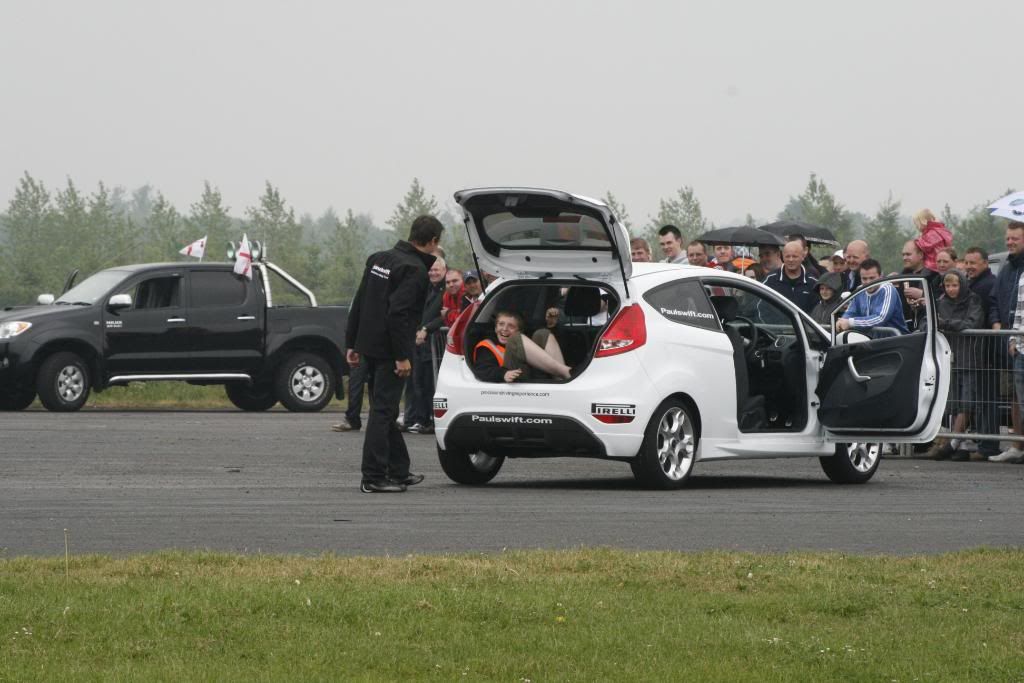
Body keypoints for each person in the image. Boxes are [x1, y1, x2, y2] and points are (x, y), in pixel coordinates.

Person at [345, 214, 443, 493]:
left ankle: (398, 470)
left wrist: (351, 342)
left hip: (370, 347)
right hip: (391, 351)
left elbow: (360, 301)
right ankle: (374, 477)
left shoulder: (379, 258)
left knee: (383, 410)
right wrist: (402, 355)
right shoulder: (414, 269)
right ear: (434, 241)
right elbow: (398, 314)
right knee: (383, 411)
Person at [923, 270, 984, 460]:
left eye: (955, 285)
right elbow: (928, 322)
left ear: (962, 285)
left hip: (969, 357)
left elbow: (973, 323)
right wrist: (943, 324)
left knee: (967, 402)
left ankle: (954, 442)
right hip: (948, 357)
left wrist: (945, 323)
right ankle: (960, 444)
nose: (951, 289)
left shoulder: (973, 300)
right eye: (948, 286)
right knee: (953, 403)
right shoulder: (940, 301)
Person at [963, 247, 1001, 460]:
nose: (969, 267)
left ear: (985, 263)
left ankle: (988, 446)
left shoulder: (986, 286)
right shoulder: (975, 283)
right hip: (978, 351)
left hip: (985, 351)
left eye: (973, 263)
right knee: (981, 400)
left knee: (987, 401)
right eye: (966, 262)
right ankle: (983, 443)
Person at [402, 258, 447, 436]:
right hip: (419, 343)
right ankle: (420, 419)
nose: (433, 273)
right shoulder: (426, 288)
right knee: (418, 382)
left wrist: (426, 329)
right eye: (431, 270)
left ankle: (432, 420)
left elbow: (444, 317)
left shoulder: (445, 291)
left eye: (437, 270)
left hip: (433, 342)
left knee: (431, 384)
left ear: (444, 270)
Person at [992, 222, 1024, 463]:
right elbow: (996, 300)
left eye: (1015, 238)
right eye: (1008, 238)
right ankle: (1017, 443)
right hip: (1014, 343)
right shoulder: (1006, 269)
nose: (1010, 242)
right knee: (1016, 395)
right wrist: (999, 325)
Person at [472, 311, 572, 383]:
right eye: (501, 324)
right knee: (514, 339)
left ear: (519, 330)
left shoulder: (524, 339)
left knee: (542, 333)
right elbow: (481, 370)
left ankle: (563, 381)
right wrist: (503, 374)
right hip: (516, 380)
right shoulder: (488, 345)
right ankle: (566, 372)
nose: (505, 329)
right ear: (495, 328)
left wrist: (552, 326)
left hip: (536, 375)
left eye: (511, 326)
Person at [837, 259, 907, 336]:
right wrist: (842, 321)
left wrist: (850, 322)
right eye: (864, 278)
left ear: (880, 276)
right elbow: (850, 312)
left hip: (896, 340)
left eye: (872, 278)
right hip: (870, 341)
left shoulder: (888, 289)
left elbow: (880, 318)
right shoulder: (859, 290)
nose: (868, 282)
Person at [762, 240, 819, 313]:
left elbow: (817, 311)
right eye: (787, 256)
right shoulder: (770, 279)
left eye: (795, 256)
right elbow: (760, 305)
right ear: (782, 256)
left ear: (802, 257)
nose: (791, 260)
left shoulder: (812, 283)